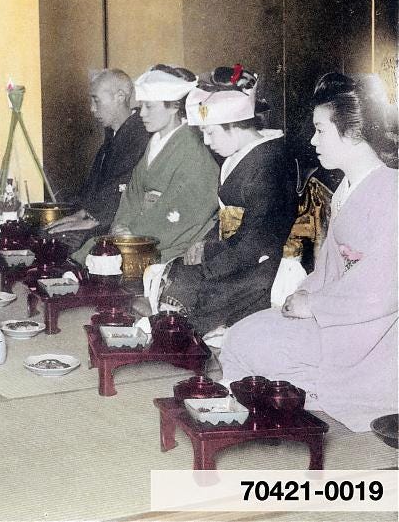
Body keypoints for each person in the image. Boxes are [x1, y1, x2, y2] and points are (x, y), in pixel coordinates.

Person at [220, 72, 397, 432]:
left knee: (254, 345)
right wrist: (305, 293)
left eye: (321, 129)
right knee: (240, 336)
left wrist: (313, 306)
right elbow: (331, 270)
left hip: (373, 334)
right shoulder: (348, 187)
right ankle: (265, 403)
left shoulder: (391, 194)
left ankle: (297, 400)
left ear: (352, 133)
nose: (313, 140)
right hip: (339, 315)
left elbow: (382, 293)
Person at [142, 67, 296, 336]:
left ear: (234, 127)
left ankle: (174, 333)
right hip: (238, 253)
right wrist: (206, 245)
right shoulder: (240, 157)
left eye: (211, 133)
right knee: (179, 270)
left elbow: (257, 238)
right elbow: (229, 222)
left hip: (260, 265)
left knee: (191, 282)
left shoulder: (269, 163)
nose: (207, 142)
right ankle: (170, 329)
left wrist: (210, 264)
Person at [73, 65, 219, 267]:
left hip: (168, 241)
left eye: (149, 107)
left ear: (174, 107)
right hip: (140, 231)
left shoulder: (193, 151)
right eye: (141, 106)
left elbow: (183, 209)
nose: (142, 114)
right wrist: (122, 226)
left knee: (105, 260)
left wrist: (133, 234)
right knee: (93, 248)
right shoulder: (155, 142)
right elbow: (133, 193)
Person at [47, 69, 149, 247]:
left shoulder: (140, 136)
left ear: (120, 96)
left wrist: (95, 220)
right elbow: (97, 188)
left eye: (96, 100)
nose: (92, 109)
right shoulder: (113, 137)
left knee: (62, 242)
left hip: (121, 223)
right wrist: (81, 213)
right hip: (101, 216)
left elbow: (124, 186)